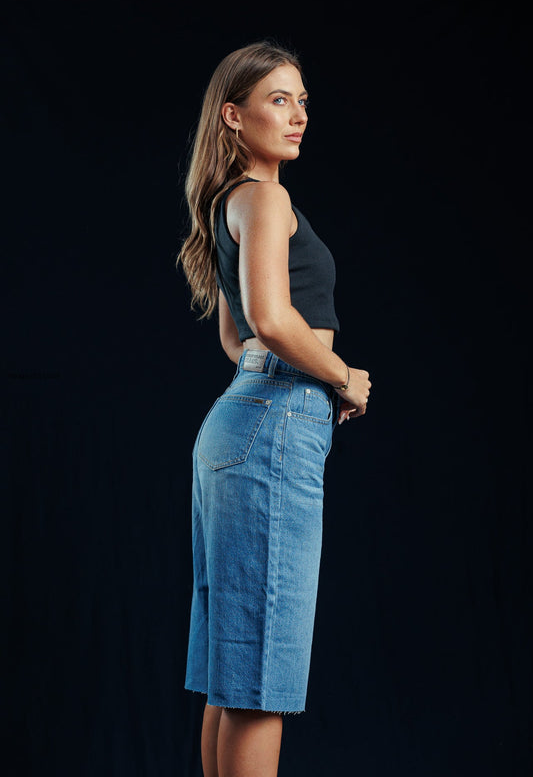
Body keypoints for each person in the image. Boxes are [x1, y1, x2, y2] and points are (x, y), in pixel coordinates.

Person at [176, 40, 371, 777]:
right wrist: (341, 377)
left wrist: (303, 376)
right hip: (276, 420)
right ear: (234, 115)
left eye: (302, 101)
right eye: (279, 100)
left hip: (243, 418)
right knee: (260, 676)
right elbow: (269, 320)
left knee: (232, 669)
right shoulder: (265, 197)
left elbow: (238, 340)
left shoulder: (230, 203)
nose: (298, 116)